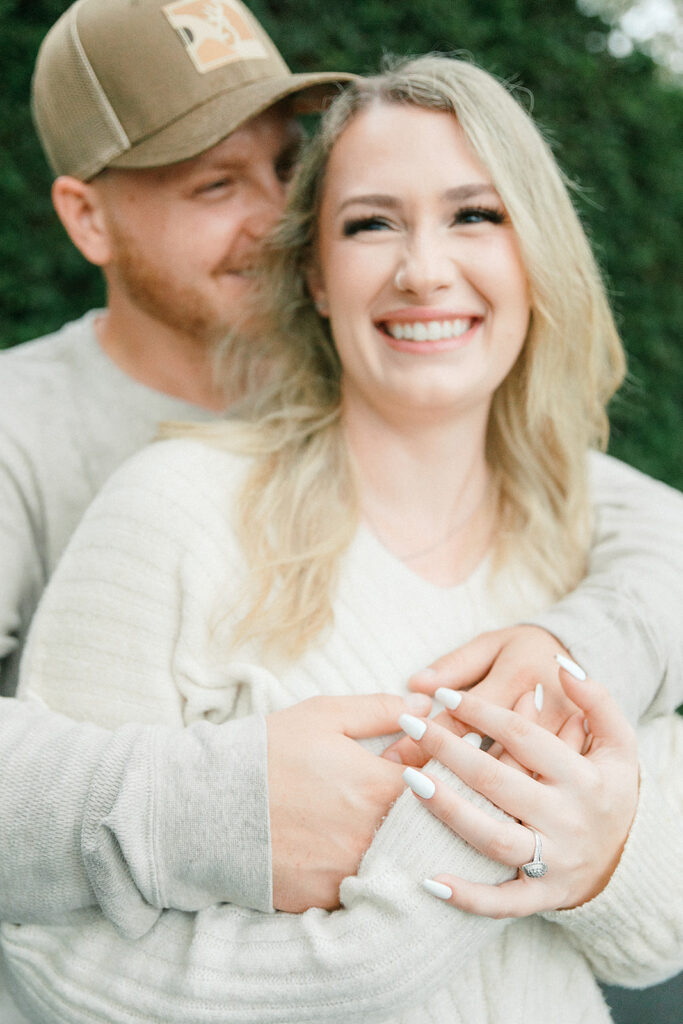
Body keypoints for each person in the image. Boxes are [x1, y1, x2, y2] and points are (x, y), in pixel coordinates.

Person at [4, 54, 682, 1024]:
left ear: (536, 249)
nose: (422, 269)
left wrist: (604, 857)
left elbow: (657, 934)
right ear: (316, 276)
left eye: (474, 214)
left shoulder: (596, 551)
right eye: (370, 223)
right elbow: (42, 946)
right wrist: (385, 932)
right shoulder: (171, 505)